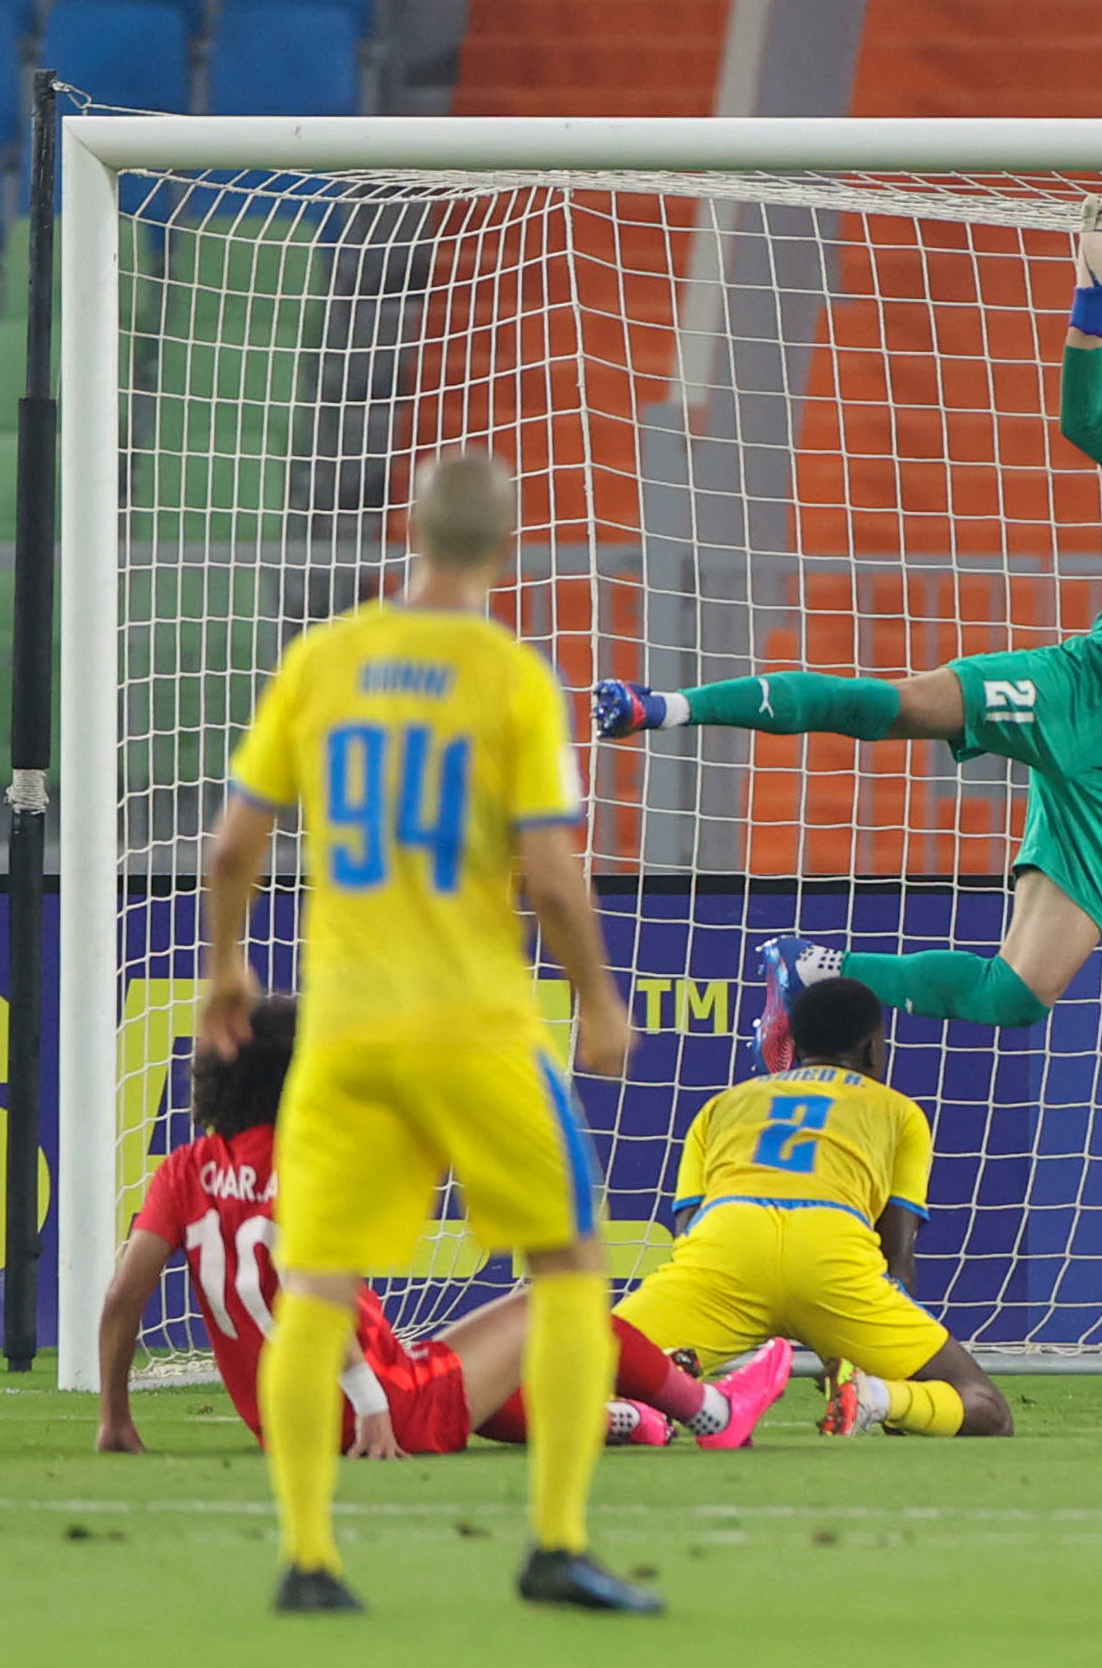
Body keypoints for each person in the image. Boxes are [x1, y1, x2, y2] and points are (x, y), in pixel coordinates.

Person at [592, 184, 1102, 1063]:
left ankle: (814, 966)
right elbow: (1085, 421)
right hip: (1096, 682)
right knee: (896, 706)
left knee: (1019, 995)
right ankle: (668, 707)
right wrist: (1094, 294)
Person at [200, 450, 658, 1614]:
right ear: (504, 550)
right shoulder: (511, 677)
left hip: (346, 1033)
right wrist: (599, 1000)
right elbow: (552, 876)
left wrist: (223, 970)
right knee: (569, 1265)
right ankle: (555, 1543)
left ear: (408, 530)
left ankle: (309, 1561)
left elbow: (229, 846)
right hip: (472, 1028)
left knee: (315, 1287)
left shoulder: (323, 660)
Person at [94, 994, 796, 1461]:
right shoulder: (317, 1163)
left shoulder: (184, 1169)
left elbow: (125, 1296)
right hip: (377, 1412)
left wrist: (115, 1419)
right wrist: (370, 1407)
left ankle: (625, 1420)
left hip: (284, 1426)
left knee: (453, 1364)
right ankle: (712, 1412)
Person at [614, 978, 1013, 1438]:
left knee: (578, 1368)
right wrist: (861, 1352)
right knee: (983, 1405)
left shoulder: (721, 1106)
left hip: (727, 1247)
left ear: (793, 1044)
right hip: (831, 1256)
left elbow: (687, 1230)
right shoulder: (900, 1112)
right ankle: (876, 1397)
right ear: (872, 1048)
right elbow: (897, 1257)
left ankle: (659, 1390)